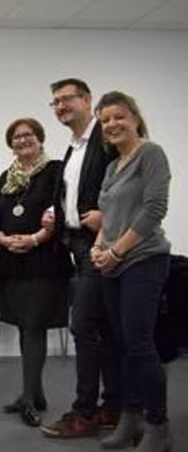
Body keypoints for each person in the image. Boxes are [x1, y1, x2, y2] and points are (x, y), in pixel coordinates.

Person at [40, 79, 120, 438]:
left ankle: (85, 412)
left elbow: (126, 185)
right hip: (76, 244)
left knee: (84, 326)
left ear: (87, 100)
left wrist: (108, 215)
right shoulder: (74, 147)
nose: (59, 107)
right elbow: (76, 196)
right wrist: (58, 214)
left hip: (101, 246)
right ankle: (113, 406)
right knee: (102, 328)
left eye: (66, 99)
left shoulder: (105, 139)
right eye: (54, 102)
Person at [92, 92, 172, 452]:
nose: (111, 125)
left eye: (118, 117)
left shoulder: (150, 154)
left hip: (143, 260)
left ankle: (158, 426)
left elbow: (154, 209)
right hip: (112, 263)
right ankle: (131, 415)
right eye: (105, 120)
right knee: (122, 345)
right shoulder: (112, 166)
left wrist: (116, 250)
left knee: (140, 344)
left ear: (135, 118)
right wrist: (98, 246)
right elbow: (106, 215)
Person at [0, 118, 72, 428]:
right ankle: (35, 394)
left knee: (35, 325)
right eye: (16, 137)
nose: (22, 141)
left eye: (28, 135)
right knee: (25, 327)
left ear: (40, 139)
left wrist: (35, 238)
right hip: (12, 262)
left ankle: (27, 397)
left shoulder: (55, 171)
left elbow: (63, 212)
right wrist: (3, 239)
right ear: (11, 144)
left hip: (45, 261)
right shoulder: (5, 178)